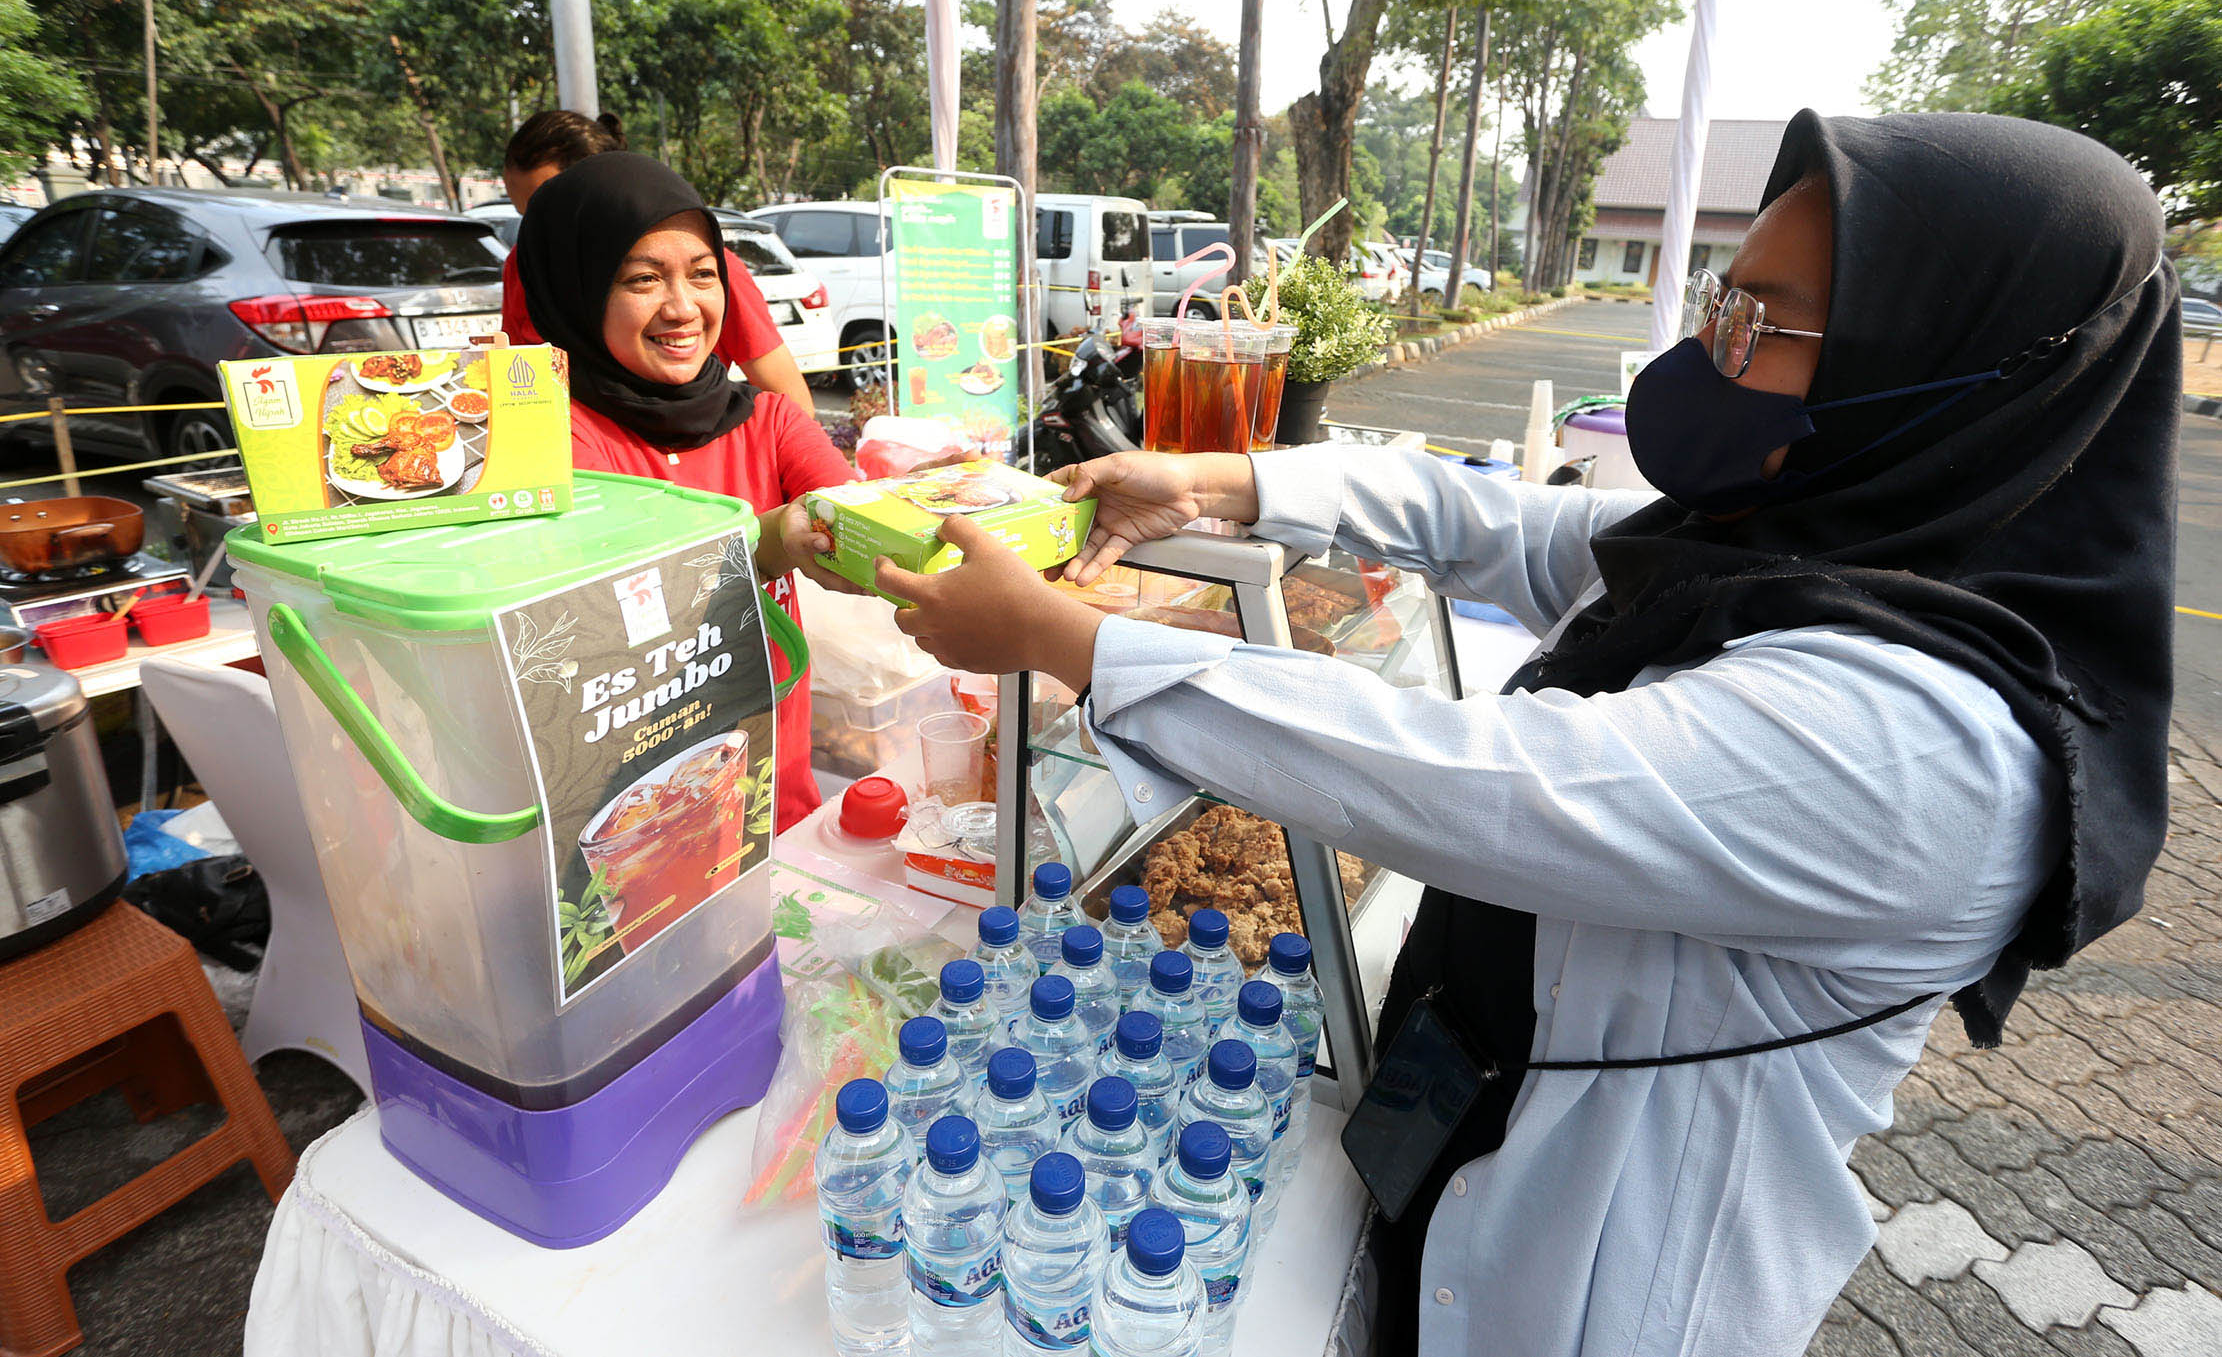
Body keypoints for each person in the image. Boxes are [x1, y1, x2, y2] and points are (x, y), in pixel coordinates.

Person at [866, 111, 2180, 1355]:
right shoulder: (1790, 552)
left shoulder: (1933, 746)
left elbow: (1483, 786)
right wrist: (1220, 480)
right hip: (1482, 1126)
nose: (1715, 345)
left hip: (1611, 1286)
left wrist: (1067, 641)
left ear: (1945, 366)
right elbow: (1491, 523)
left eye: (1759, 322)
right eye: (1724, 297)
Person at [514, 150, 859, 833]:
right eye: (644, 279)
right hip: (635, 824)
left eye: (704, 275)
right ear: (578, 291)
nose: (683, 308)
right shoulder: (555, 443)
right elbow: (623, 601)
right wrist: (766, 544)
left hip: (775, 795)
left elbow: (862, 521)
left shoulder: (769, 418)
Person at [498, 110, 813, 416]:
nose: (682, 310)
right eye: (528, 219)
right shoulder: (525, 267)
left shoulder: (715, 273)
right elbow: (517, 383)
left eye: (549, 211)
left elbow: (794, 409)